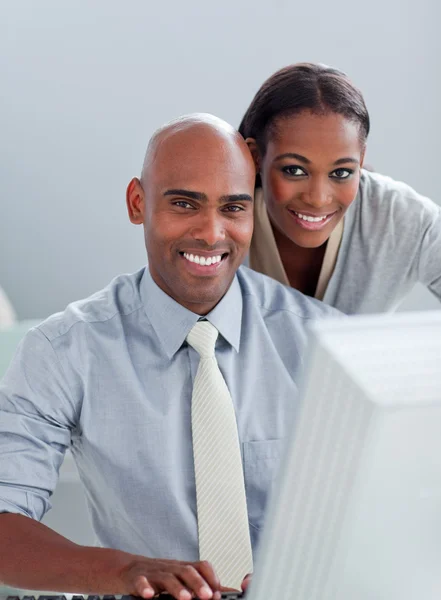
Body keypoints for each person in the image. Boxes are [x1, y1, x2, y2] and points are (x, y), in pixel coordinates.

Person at [0, 114, 339, 599]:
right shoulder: (63, 350)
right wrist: (124, 572)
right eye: (184, 204)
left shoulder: (325, 342)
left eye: (233, 208)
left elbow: (389, 506)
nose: (210, 233)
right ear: (138, 203)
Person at [239, 63, 441, 313]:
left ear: (361, 159)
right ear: (256, 156)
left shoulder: (402, 218)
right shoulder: (217, 220)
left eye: (341, 172)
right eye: (294, 170)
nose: (318, 199)